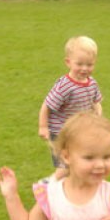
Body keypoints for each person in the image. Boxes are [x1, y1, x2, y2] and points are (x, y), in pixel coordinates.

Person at [38, 36, 102, 180]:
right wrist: (43, 127)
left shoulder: (92, 83)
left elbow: (96, 102)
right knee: (64, 168)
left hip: (78, 131)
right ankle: (47, 186)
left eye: (89, 64)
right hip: (59, 132)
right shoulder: (65, 86)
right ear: (68, 62)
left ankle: (70, 193)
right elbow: (47, 105)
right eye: (79, 64)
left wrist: (97, 117)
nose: (84, 69)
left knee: (78, 164)